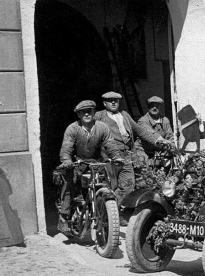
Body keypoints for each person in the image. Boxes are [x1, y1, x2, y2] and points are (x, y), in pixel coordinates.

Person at [55, 100, 120, 233]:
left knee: (109, 184)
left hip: (96, 164)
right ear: (78, 115)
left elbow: (110, 144)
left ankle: (107, 215)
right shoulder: (73, 128)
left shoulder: (102, 127)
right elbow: (66, 148)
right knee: (69, 185)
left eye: (89, 111)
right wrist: (67, 160)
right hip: (77, 164)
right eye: (83, 112)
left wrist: (116, 157)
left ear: (94, 113)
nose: (86, 114)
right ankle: (64, 217)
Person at [94, 91, 170, 205]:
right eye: (110, 101)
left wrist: (158, 139)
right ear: (105, 103)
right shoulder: (99, 116)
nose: (114, 102)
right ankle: (104, 215)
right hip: (108, 157)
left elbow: (140, 130)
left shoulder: (124, 115)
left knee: (128, 186)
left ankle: (115, 211)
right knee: (109, 187)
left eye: (116, 100)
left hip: (126, 156)